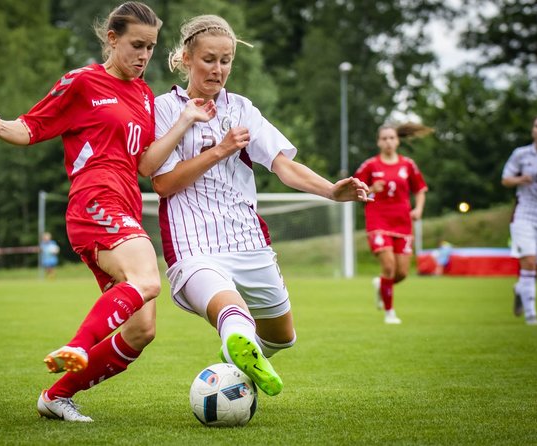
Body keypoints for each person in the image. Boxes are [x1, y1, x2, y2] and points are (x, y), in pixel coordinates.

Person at [0, 2, 216, 422]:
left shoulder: (141, 94)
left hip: (125, 206)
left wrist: (184, 121)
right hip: (94, 201)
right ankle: (78, 347)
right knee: (147, 278)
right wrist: (1, 126)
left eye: (151, 48)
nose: (144, 55)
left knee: (142, 331)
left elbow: (144, 164)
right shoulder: (82, 82)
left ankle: (55, 396)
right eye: (136, 45)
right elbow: (32, 126)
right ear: (111, 38)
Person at [151, 15, 371, 396]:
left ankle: (230, 365)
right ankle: (236, 339)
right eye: (208, 59)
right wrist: (220, 150)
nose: (218, 69)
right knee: (231, 312)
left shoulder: (242, 109)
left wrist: (331, 191)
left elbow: (283, 166)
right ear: (186, 58)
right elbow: (163, 182)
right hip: (194, 242)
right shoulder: (165, 109)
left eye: (226, 60)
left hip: (246, 238)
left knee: (283, 337)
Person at [354, 123, 429, 324]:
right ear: (379, 142)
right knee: (389, 267)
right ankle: (390, 313)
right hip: (378, 220)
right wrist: (370, 189)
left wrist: (419, 209)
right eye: (384, 138)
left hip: (402, 222)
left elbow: (420, 189)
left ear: (397, 140)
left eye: (391, 138)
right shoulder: (370, 165)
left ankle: (381, 284)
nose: (388, 142)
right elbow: (355, 190)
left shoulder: (408, 165)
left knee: (401, 273)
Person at [501, 116, 537, 326]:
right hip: (524, 214)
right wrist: (520, 179)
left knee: (535, 268)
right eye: (536, 126)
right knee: (529, 263)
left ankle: (520, 290)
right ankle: (531, 315)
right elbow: (505, 179)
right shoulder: (521, 154)